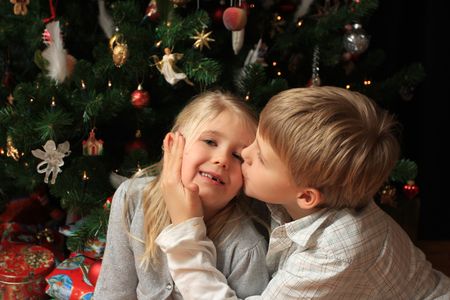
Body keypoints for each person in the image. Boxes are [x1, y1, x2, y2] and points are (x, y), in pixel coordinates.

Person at [156, 86, 450, 299]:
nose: (244, 152)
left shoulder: (336, 252)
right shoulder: (325, 189)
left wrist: (185, 233)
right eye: (256, 141)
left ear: (306, 197)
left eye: (261, 158)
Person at [94, 90, 269, 299]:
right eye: (210, 142)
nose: (222, 159)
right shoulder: (132, 197)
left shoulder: (246, 248)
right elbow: (114, 292)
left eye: (237, 156)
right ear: (173, 145)